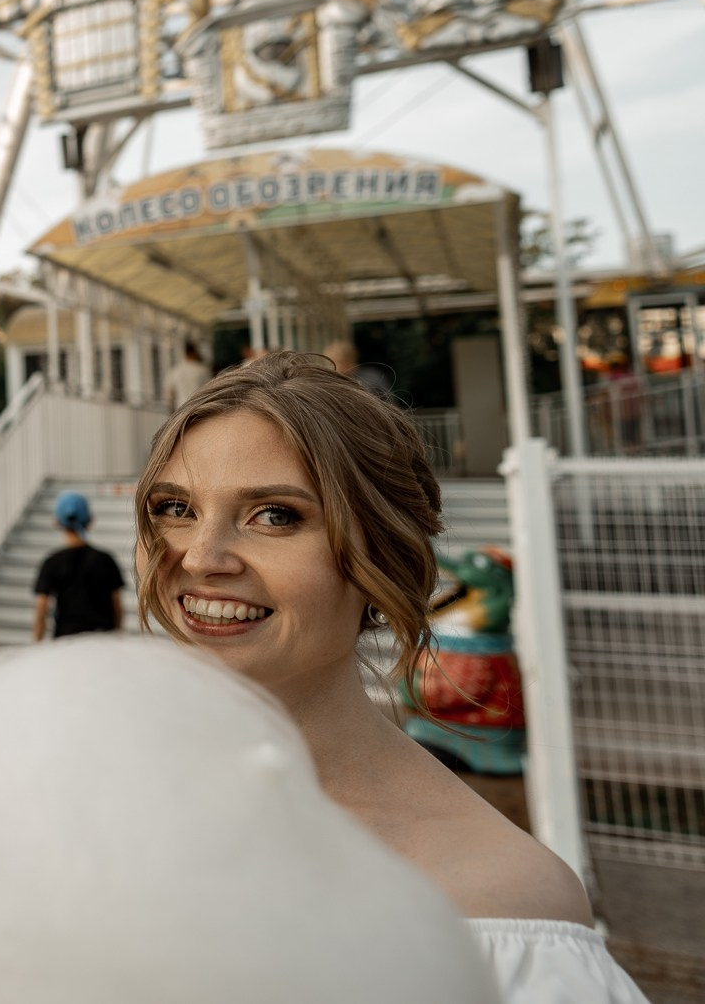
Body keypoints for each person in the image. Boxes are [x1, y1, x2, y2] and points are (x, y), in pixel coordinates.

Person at [131, 352, 649, 1002]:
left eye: (275, 515)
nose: (201, 558)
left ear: (384, 555)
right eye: (175, 506)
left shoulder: (498, 913)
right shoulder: (78, 787)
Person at [32, 491, 123, 641]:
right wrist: (116, 640)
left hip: (66, 642)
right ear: (90, 520)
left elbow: (42, 611)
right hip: (103, 641)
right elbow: (117, 607)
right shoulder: (106, 560)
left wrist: (37, 645)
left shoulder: (51, 563)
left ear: (57, 522)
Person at [323, 337, 393, 400]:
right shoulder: (329, 382)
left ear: (352, 361)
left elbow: (390, 402)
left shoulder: (372, 377)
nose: (337, 369)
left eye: (341, 363)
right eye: (331, 364)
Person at [166, 340, 209, 411]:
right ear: (193, 352)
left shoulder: (175, 370)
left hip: (181, 408)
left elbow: (169, 394)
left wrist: (172, 411)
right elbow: (209, 390)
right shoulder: (202, 370)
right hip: (198, 407)